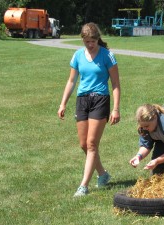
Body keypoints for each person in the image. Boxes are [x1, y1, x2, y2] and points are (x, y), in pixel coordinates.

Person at [58, 22, 120, 197]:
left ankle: (83, 186)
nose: (90, 45)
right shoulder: (77, 55)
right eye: (87, 42)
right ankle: (103, 173)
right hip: (82, 100)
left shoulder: (107, 56)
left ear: (97, 39)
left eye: (93, 41)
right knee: (84, 145)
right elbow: (71, 81)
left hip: (100, 99)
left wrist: (115, 108)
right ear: (83, 40)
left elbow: (115, 84)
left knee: (92, 144)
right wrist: (63, 103)